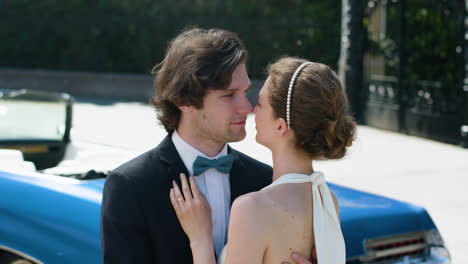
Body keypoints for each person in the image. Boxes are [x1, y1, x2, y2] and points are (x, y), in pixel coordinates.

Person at [101, 28, 315, 264]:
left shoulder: (267, 181)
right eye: (229, 94)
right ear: (183, 99)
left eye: (245, 92)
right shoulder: (131, 186)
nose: (247, 107)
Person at [169, 57, 357, 264]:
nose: (251, 109)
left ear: (280, 126)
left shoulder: (251, 208)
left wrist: (200, 240)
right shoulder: (327, 200)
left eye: (260, 103)